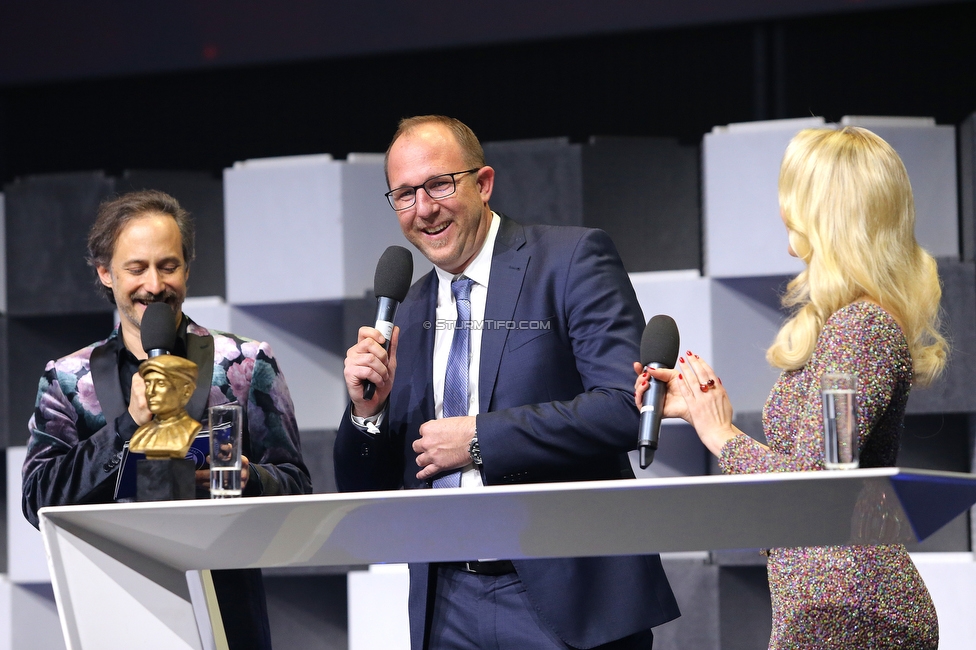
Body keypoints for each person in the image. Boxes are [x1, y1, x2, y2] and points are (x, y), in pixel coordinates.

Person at [336, 115, 679, 650]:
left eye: (438, 185)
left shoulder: (570, 261)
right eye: (404, 195)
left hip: (566, 596)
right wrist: (366, 415)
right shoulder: (405, 312)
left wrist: (478, 440)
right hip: (446, 603)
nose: (423, 209)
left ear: (484, 182)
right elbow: (363, 494)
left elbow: (623, 407)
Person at [635, 126, 946, 649]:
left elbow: (815, 488)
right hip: (825, 606)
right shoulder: (843, 326)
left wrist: (723, 436)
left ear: (827, 213)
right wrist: (704, 412)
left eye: (793, 203)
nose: (786, 223)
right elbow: (812, 473)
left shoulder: (861, 329)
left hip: (853, 613)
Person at [22, 189, 312, 650]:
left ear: (187, 267)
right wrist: (125, 428)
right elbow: (38, 502)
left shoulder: (244, 363)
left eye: (168, 265)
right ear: (105, 273)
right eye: (136, 268)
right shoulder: (68, 378)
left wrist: (247, 479)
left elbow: (297, 486)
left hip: (226, 616)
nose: (154, 285)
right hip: (112, 614)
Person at [130, 355, 203, 458]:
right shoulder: (141, 435)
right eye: (148, 384)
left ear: (186, 391)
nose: (150, 392)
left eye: (160, 383)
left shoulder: (190, 429)